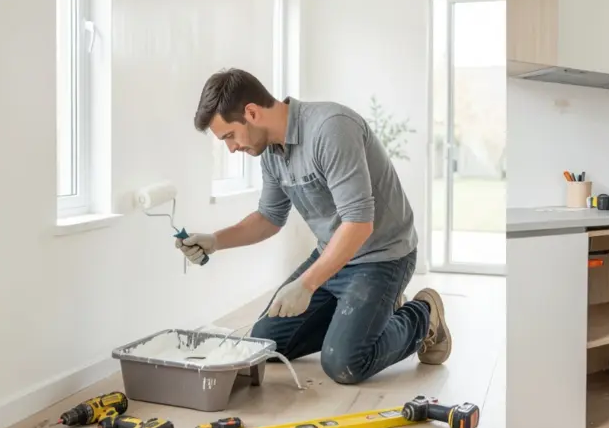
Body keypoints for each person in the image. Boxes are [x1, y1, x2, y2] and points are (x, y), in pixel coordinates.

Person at [177, 68, 451, 385]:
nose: (232, 148)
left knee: (344, 363)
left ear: (251, 113)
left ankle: (423, 314)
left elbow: (359, 224)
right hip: (333, 256)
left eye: (229, 136)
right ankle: (370, 315)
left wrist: (307, 284)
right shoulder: (271, 154)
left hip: (382, 256)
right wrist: (215, 240)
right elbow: (268, 218)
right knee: (264, 343)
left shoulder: (331, 129)